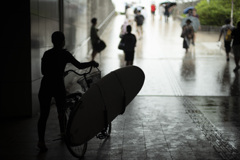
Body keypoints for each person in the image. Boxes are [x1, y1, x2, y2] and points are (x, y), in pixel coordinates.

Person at [37, 31, 99, 152]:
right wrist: (92, 62)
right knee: (61, 110)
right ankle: (63, 133)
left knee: (44, 115)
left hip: (45, 85)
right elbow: (79, 66)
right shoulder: (65, 54)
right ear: (63, 41)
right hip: (57, 85)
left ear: (52, 41)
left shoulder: (47, 54)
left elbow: (44, 72)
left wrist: (57, 72)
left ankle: (41, 141)